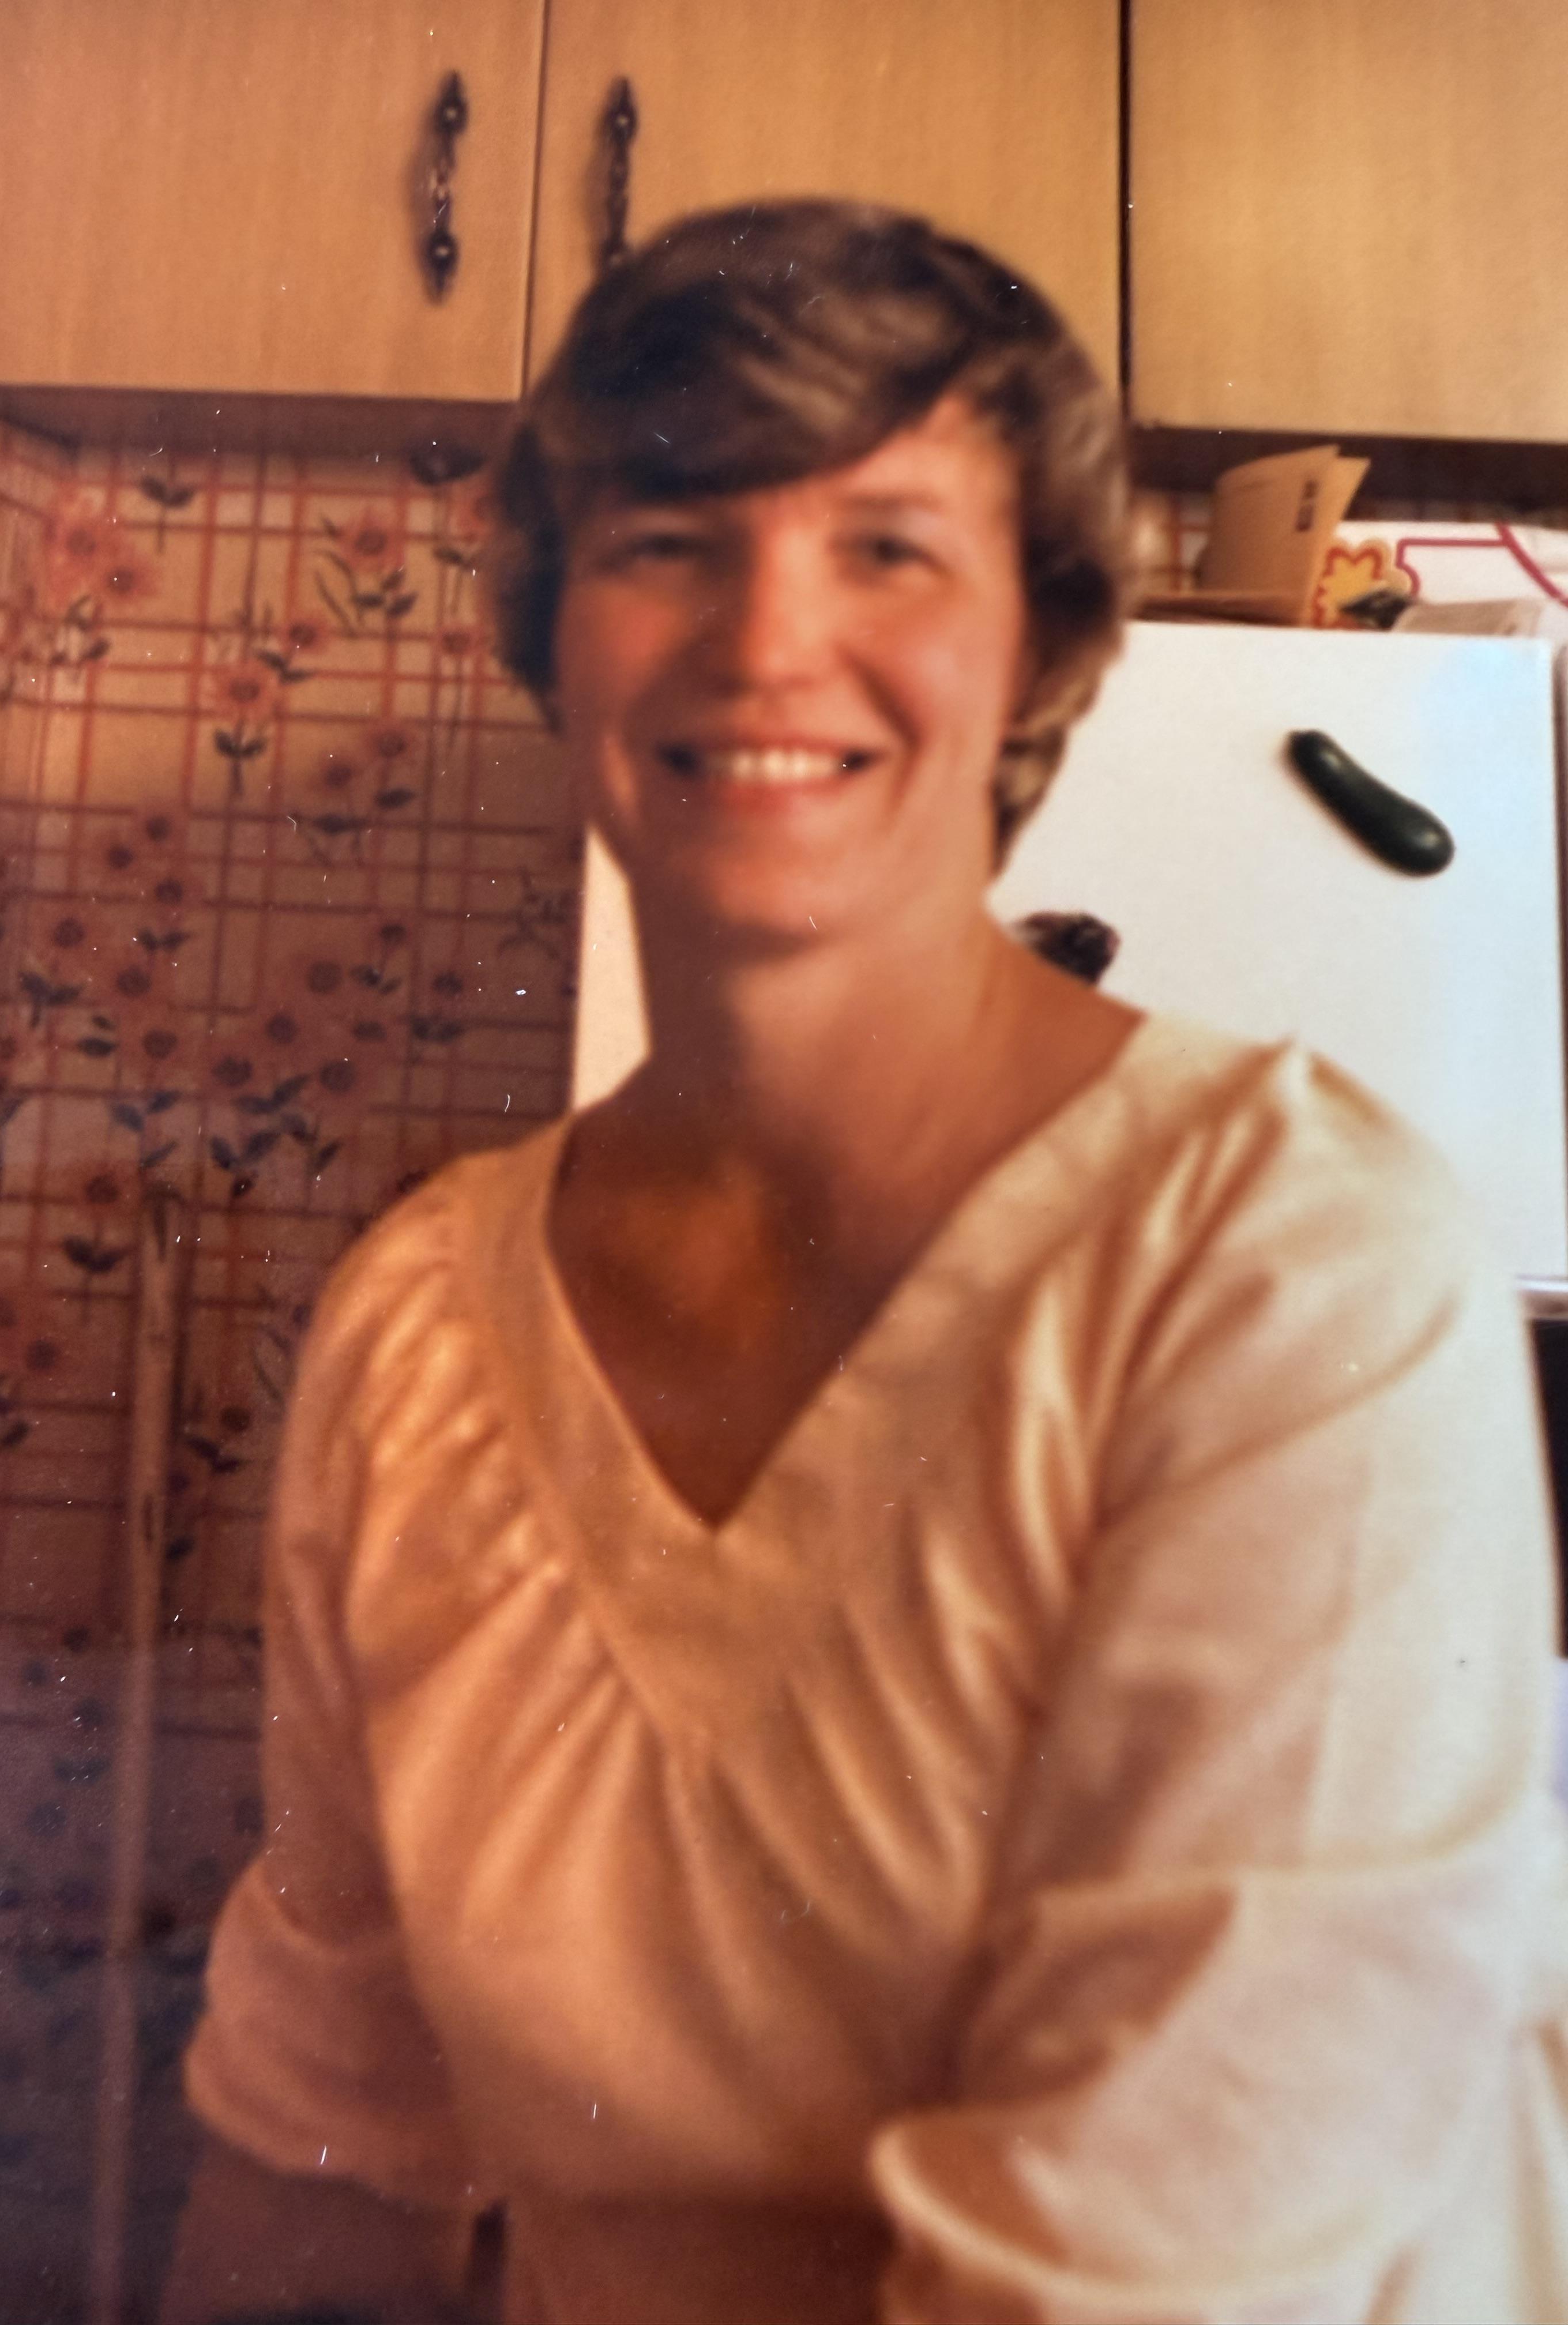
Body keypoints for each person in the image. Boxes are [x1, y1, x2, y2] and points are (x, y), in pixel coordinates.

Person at [165, 201, 1568, 2325]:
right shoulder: (420, 1330)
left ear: (1044, 651)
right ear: (556, 641)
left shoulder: (1289, 1272)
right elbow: (324, 2145)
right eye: (667, 541)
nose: (763, 639)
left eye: (888, 546)